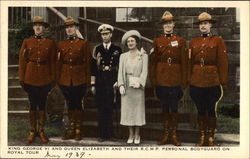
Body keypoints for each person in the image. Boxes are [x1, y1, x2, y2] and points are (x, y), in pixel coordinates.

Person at [188, 12, 228, 146]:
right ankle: (202, 136)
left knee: (211, 108)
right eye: (201, 24)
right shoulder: (194, 42)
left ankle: (211, 137)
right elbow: (189, 62)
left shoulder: (218, 41)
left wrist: (223, 81)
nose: (203, 26)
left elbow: (222, 62)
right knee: (200, 109)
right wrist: (189, 79)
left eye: (205, 23)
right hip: (197, 80)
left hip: (212, 80)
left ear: (211, 25)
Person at [149, 11, 187, 146]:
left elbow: (184, 62)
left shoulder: (181, 41)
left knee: (174, 107)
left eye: (170, 23)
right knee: (165, 107)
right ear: (162, 26)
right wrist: (154, 80)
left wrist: (183, 81)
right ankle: (166, 134)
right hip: (162, 79)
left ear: (174, 24)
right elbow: (153, 63)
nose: (168, 25)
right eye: (165, 23)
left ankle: (174, 135)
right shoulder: (157, 41)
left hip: (175, 79)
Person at [18, 16, 56, 143]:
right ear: (33, 27)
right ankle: (32, 131)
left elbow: (52, 62)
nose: (38, 27)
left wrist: (52, 79)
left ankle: (41, 131)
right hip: (30, 77)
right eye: (36, 25)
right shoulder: (27, 42)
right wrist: (22, 78)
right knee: (33, 104)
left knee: (42, 105)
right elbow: (22, 62)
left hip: (45, 78)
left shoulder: (50, 43)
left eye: (40, 25)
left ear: (44, 27)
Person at [57, 16, 91, 141]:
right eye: (67, 27)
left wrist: (87, 81)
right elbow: (59, 63)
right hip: (65, 79)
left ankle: (78, 129)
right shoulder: (61, 44)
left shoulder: (83, 44)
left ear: (76, 28)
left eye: (71, 27)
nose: (69, 29)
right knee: (70, 103)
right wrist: (59, 79)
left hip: (79, 78)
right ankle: (70, 128)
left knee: (77, 103)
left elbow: (87, 63)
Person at [91, 24, 122, 142]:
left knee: (111, 107)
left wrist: (119, 82)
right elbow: (93, 68)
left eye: (107, 34)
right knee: (101, 108)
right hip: (100, 82)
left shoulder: (117, 49)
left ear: (111, 34)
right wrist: (93, 84)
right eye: (103, 34)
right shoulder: (97, 49)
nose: (105, 36)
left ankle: (112, 134)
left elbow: (120, 67)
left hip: (112, 81)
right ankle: (102, 134)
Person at [118, 30, 148, 145]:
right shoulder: (123, 56)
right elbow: (120, 72)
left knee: (137, 111)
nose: (130, 43)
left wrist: (140, 82)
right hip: (127, 87)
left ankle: (137, 134)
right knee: (128, 112)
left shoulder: (143, 55)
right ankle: (130, 133)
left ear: (136, 42)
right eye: (128, 41)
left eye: (132, 41)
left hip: (137, 88)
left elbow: (145, 71)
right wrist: (120, 84)